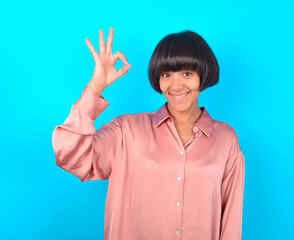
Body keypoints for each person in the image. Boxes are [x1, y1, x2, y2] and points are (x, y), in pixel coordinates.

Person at [52, 27, 245, 240]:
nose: (176, 85)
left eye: (187, 73)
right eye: (167, 74)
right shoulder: (126, 132)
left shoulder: (226, 140)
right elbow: (70, 156)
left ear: (203, 74)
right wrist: (96, 87)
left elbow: (230, 224)